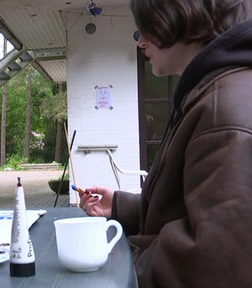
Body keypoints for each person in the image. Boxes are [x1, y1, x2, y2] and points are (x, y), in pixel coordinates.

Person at [75, 0, 252, 287]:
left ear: (181, 17)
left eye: (147, 26)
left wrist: (116, 264)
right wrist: (120, 207)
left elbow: (214, 261)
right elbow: (190, 208)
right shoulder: (209, 93)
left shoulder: (224, 110)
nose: (141, 41)